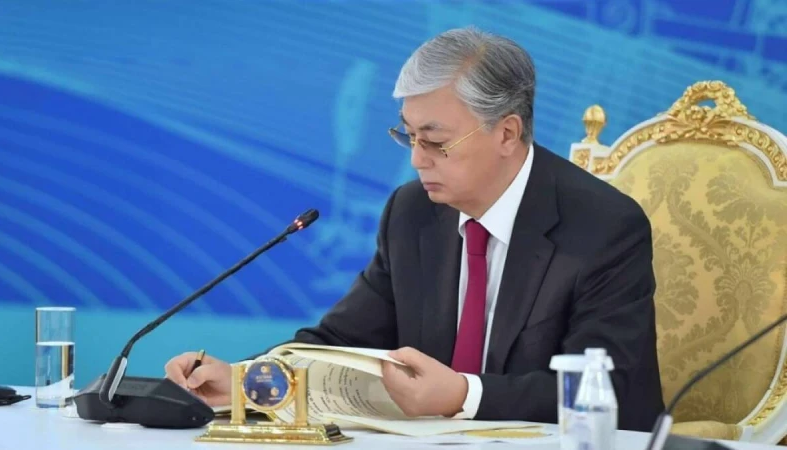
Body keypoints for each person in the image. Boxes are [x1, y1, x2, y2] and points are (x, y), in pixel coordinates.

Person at [165, 26, 664, 431]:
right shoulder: (413, 213)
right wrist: (248, 380)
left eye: (435, 140)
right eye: (408, 135)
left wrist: (464, 395)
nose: (416, 159)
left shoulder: (603, 227)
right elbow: (340, 339)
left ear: (507, 133)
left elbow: (606, 389)